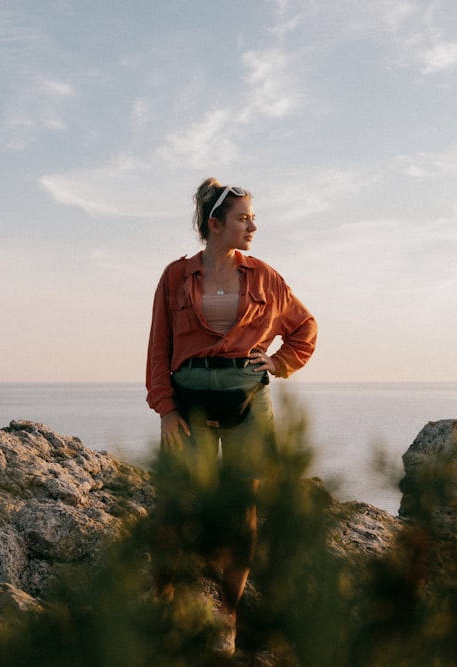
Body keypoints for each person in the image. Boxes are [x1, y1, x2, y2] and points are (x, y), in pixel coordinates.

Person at [145, 177, 317, 654]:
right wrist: (166, 411)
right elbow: (159, 348)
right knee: (175, 504)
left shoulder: (265, 277)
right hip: (188, 406)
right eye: (244, 218)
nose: (253, 226)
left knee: (244, 510)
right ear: (215, 224)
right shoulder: (175, 277)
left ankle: (228, 614)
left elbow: (305, 327)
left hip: (248, 405)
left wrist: (279, 363)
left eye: (252, 218)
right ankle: (163, 603)